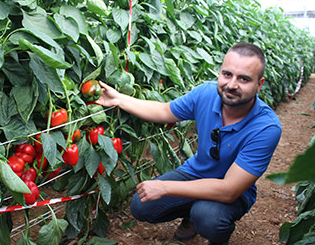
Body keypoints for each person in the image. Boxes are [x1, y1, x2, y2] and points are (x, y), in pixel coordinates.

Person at [96, 43, 282, 245]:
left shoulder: (265, 127)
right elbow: (164, 111)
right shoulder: (206, 94)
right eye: (227, 74)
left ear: (259, 84)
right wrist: (118, 99)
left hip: (234, 190)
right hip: (197, 173)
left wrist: (165, 187)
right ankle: (191, 216)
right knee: (141, 205)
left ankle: (217, 236)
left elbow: (229, 190)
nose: (232, 84)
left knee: (208, 217)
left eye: (244, 79)